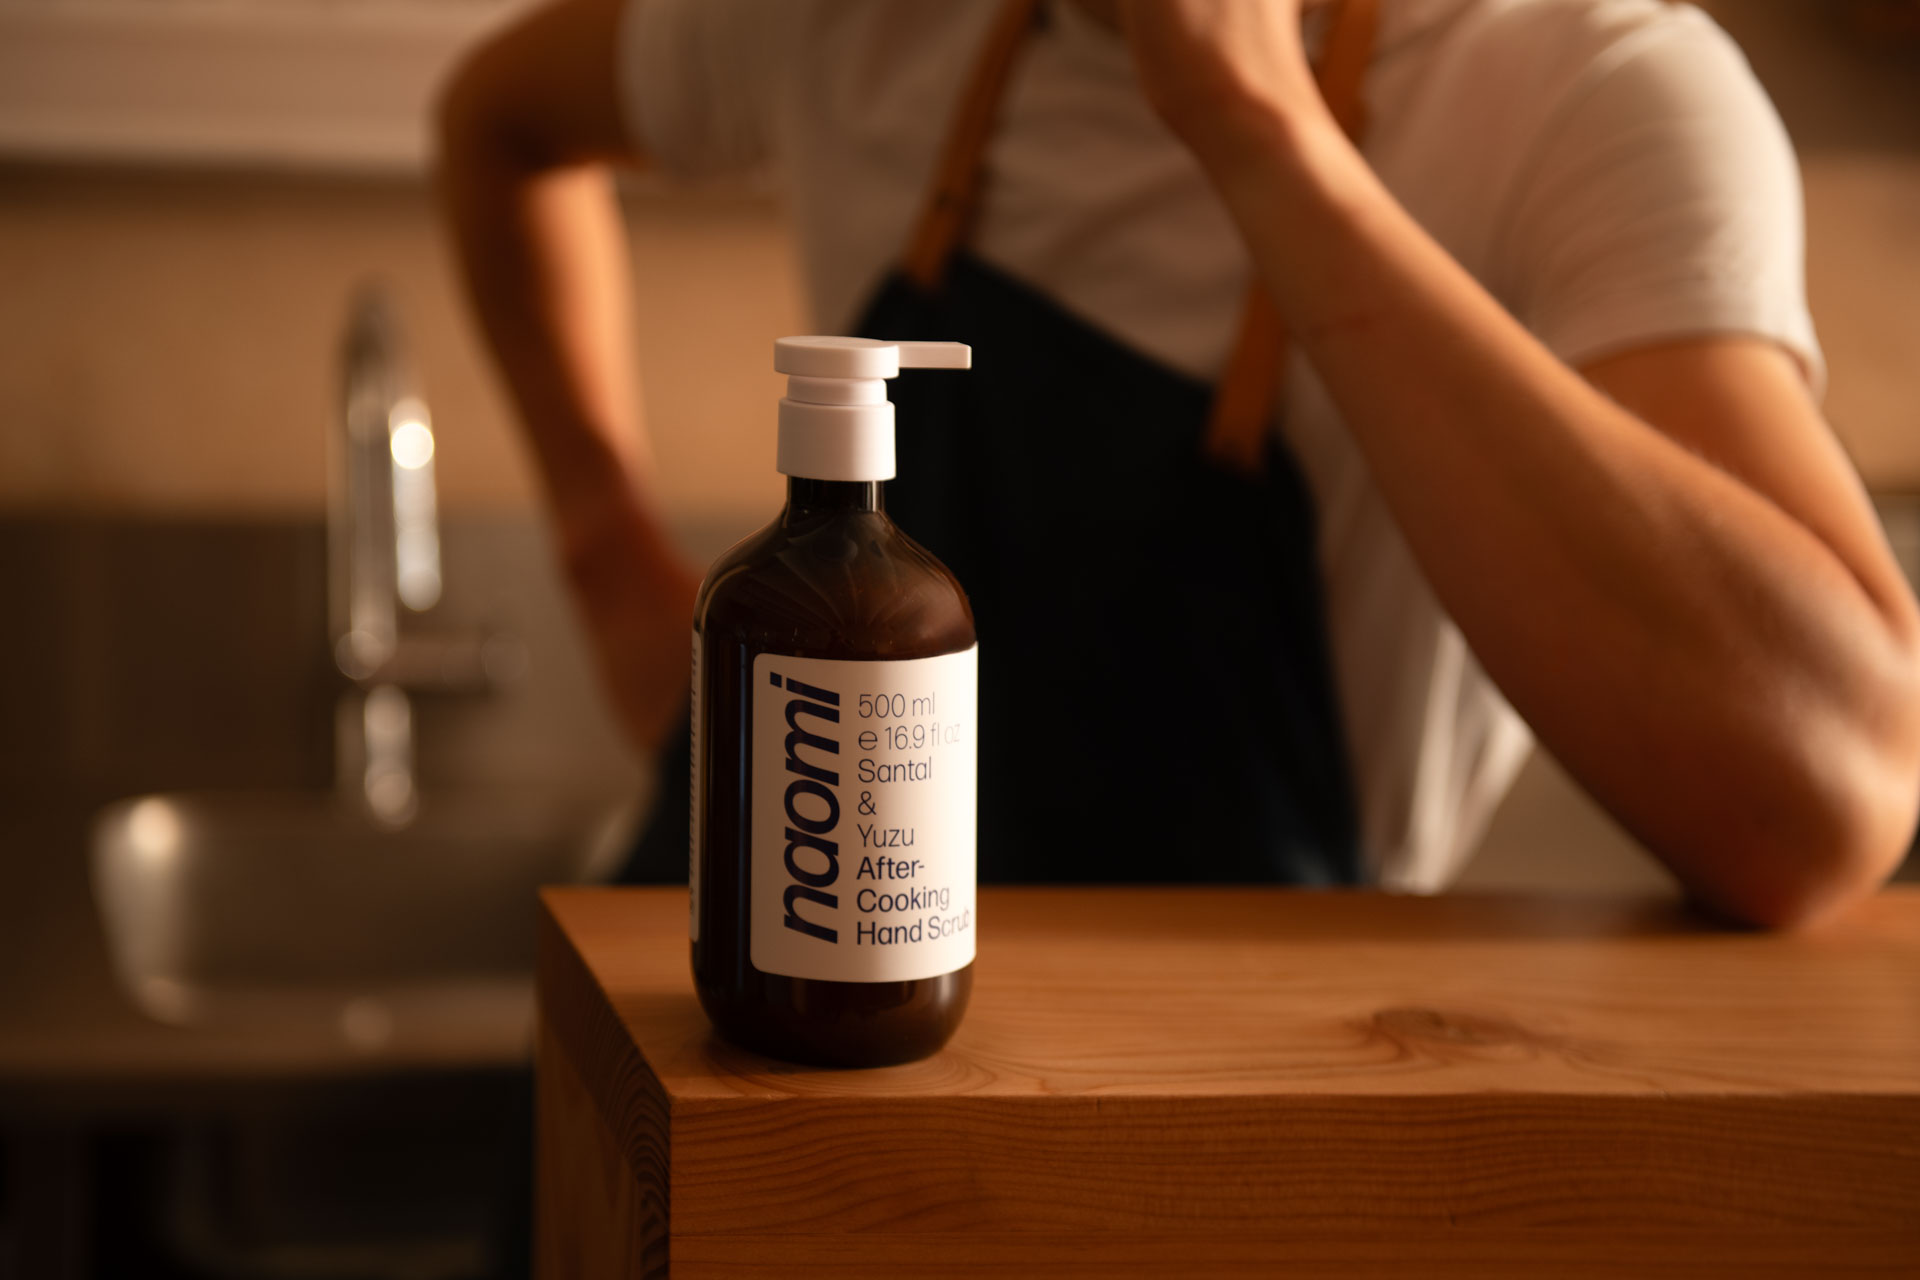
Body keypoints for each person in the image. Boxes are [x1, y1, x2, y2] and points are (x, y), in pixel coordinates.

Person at [436, 0, 1920, 927]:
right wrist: (607, 558)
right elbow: (494, 122)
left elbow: (1822, 803)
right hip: (726, 1063)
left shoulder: (1586, 94)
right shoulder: (861, 21)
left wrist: (1256, 124)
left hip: (1196, 1141)